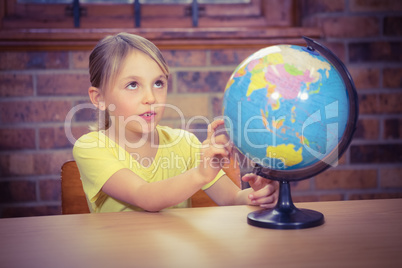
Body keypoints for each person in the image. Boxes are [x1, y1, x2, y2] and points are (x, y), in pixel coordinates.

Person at [73, 32, 279, 213]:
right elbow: (143, 196)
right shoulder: (91, 147)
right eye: (133, 84)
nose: (151, 97)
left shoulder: (184, 143)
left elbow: (233, 198)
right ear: (99, 99)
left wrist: (257, 195)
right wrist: (199, 174)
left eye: (158, 83)